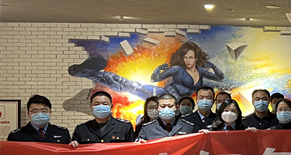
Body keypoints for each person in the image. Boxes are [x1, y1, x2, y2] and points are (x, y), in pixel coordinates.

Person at [69, 40, 225, 100]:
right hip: (162, 95)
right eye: (185, 57)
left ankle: (92, 73)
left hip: (177, 105)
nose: (188, 61)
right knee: (129, 85)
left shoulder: (201, 72)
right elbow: (154, 78)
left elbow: (220, 77)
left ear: (196, 58)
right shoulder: (178, 69)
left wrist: (213, 67)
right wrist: (158, 70)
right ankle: (92, 73)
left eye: (191, 57)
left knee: (129, 86)